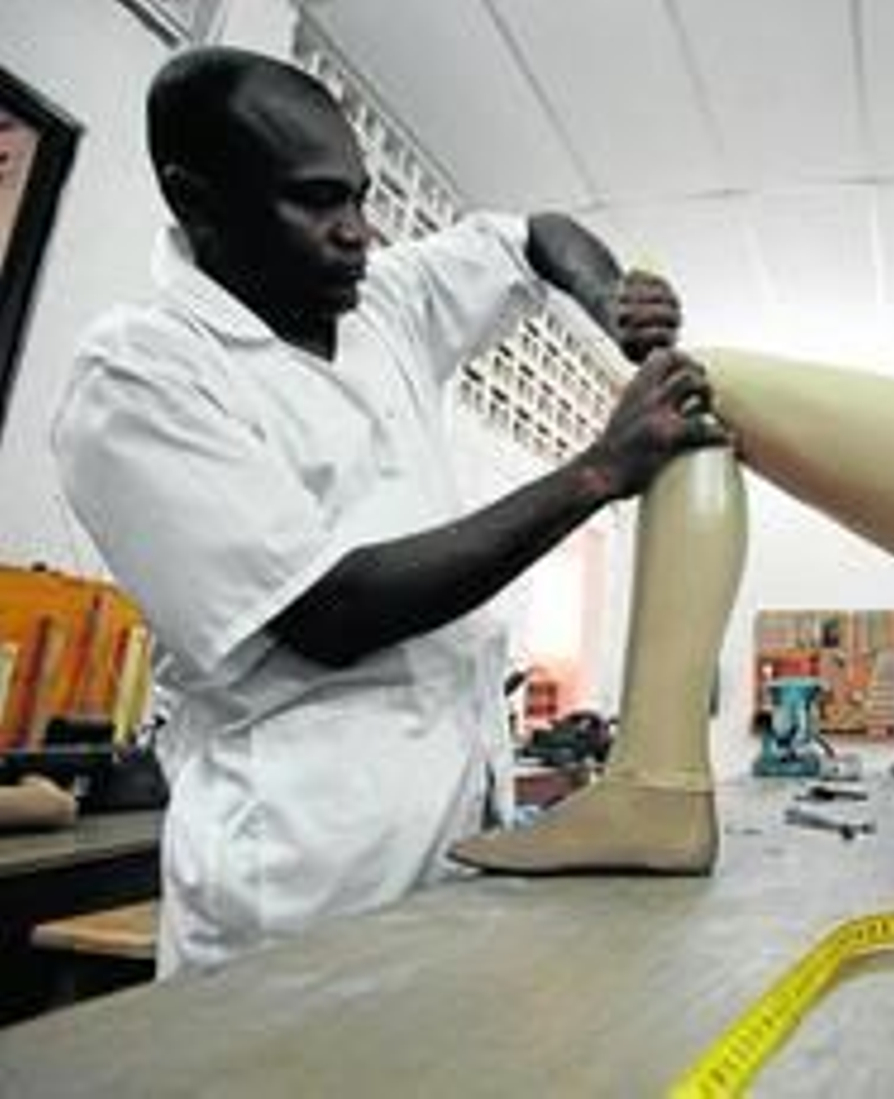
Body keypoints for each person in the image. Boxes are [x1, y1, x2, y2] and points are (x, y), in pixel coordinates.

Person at [51, 45, 727, 975]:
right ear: (196, 199)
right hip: (302, 876)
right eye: (317, 200)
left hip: (450, 831)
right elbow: (331, 611)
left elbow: (534, 237)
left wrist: (607, 297)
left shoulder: (381, 305)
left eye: (361, 197)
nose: (357, 232)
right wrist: (596, 473)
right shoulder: (138, 378)